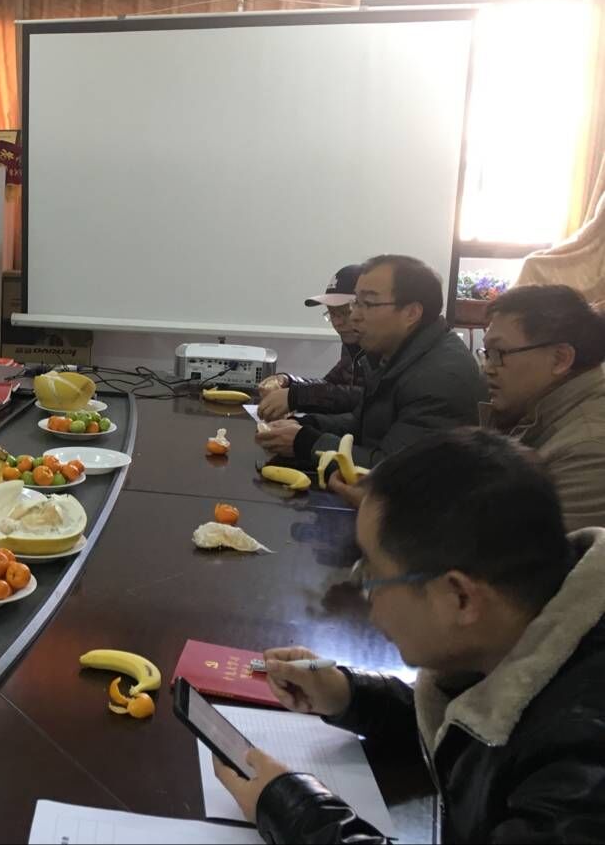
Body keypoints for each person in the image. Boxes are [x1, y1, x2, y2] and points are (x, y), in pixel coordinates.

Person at [213, 429, 605, 842]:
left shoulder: (583, 763)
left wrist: (295, 812)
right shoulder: (529, 624)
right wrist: (349, 695)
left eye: (374, 576)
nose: (366, 596)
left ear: (459, 597)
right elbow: (482, 724)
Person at [256, 255, 486, 471]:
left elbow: (393, 469)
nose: (354, 316)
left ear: (411, 313)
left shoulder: (439, 376)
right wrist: (307, 424)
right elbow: (362, 424)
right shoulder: (392, 353)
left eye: (367, 303)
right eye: (356, 303)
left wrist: (305, 442)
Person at [480, 284, 605, 528]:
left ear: (560, 359)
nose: (487, 368)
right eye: (486, 353)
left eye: (498, 353)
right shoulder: (531, 411)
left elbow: (521, 547)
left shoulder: (588, 450)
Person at [258, 264, 369, 420]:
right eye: (332, 313)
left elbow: (368, 398)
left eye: (346, 312)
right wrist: (288, 381)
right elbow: (329, 385)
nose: (337, 323)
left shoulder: (384, 348)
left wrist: (296, 396)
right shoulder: (351, 344)